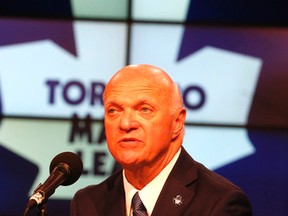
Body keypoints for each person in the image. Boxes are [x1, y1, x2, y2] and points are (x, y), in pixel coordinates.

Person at [70, 64, 252, 216]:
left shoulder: (219, 203)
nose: (125, 124)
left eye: (144, 109)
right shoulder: (87, 204)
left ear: (177, 122)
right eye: (114, 110)